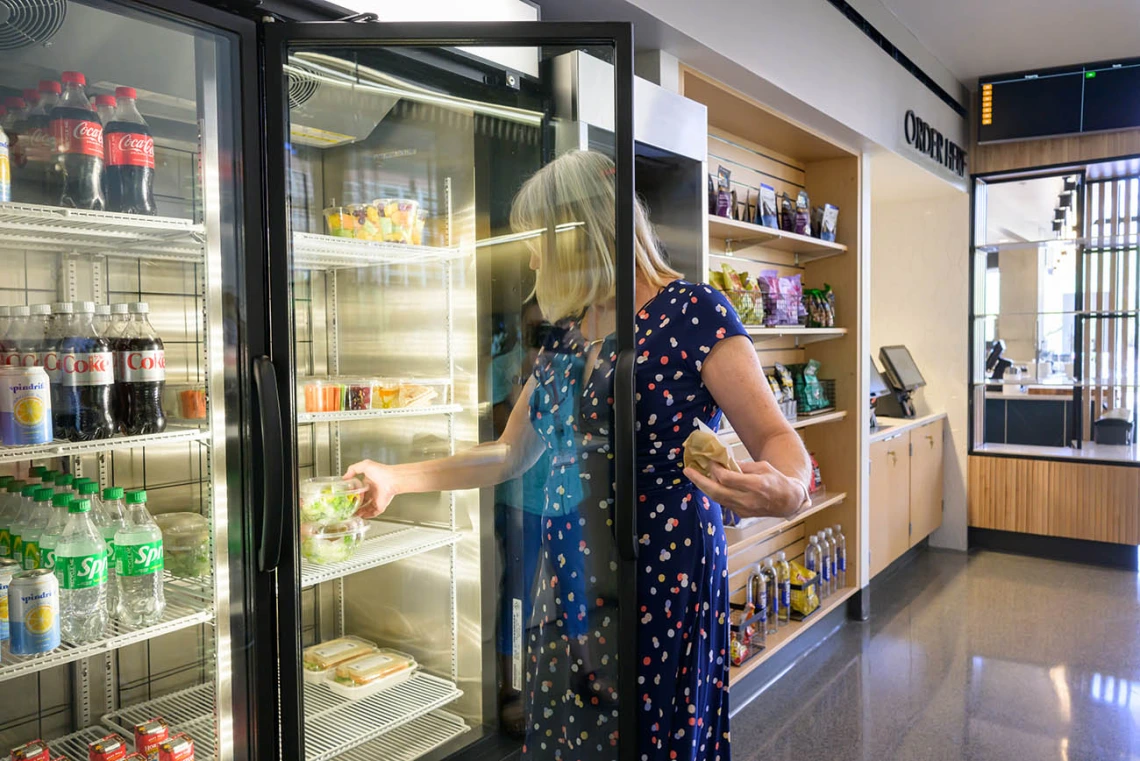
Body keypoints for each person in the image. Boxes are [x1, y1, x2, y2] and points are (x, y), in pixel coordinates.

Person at [346, 150, 811, 761]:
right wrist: (396, 477)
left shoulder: (693, 312)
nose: (534, 259)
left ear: (580, 234)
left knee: (647, 739)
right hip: (570, 571)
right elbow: (510, 453)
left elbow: (777, 438)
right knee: (572, 736)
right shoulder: (570, 334)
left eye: (539, 242)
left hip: (661, 572)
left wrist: (790, 488)